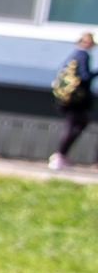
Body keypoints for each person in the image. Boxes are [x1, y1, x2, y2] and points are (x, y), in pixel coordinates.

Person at [55, 31, 96, 170]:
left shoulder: (74, 55)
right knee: (75, 125)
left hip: (68, 98)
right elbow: (85, 77)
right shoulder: (83, 55)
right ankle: (60, 156)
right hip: (77, 99)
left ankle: (61, 155)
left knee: (76, 124)